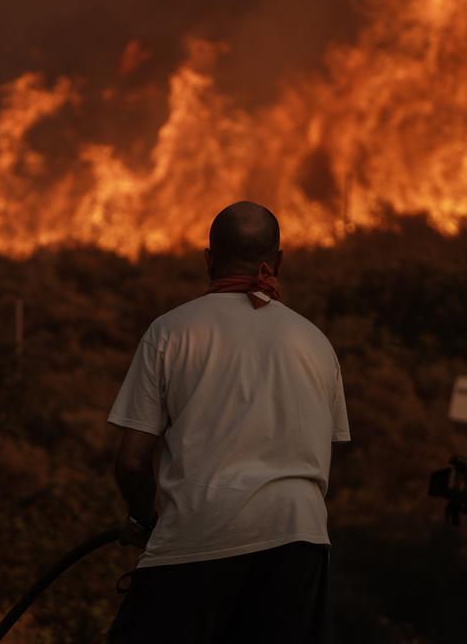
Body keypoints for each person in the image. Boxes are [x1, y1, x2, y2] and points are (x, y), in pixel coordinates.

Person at [106, 201, 351, 644]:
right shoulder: (315, 342)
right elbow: (325, 449)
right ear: (276, 261)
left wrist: (143, 520)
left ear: (209, 258)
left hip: (200, 537)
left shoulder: (171, 332)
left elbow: (132, 462)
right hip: (301, 541)